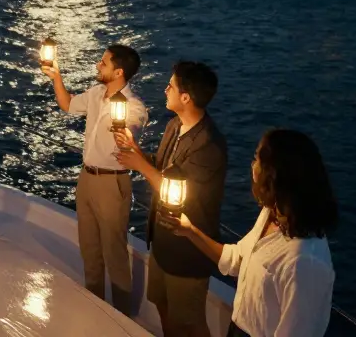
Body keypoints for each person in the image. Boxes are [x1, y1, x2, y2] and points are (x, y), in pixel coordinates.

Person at [165, 129, 338, 337]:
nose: (252, 165)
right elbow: (236, 259)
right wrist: (190, 231)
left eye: (256, 158)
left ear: (273, 174)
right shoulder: (271, 215)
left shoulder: (306, 262)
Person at [114, 61, 227, 337]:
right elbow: (163, 166)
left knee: (189, 322)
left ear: (185, 97)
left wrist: (139, 165)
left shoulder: (208, 146)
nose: (165, 90)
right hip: (163, 242)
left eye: (171, 86)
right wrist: (135, 149)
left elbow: (177, 189)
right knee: (162, 306)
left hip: (188, 251)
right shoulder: (175, 126)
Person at [42, 44, 148, 314]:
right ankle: (97, 310)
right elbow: (67, 104)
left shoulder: (134, 107)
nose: (97, 66)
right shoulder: (96, 94)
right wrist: (56, 77)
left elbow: (131, 136)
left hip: (112, 183)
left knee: (114, 254)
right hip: (87, 178)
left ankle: (122, 318)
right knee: (90, 250)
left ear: (118, 71)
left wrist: (124, 132)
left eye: (103, 63)